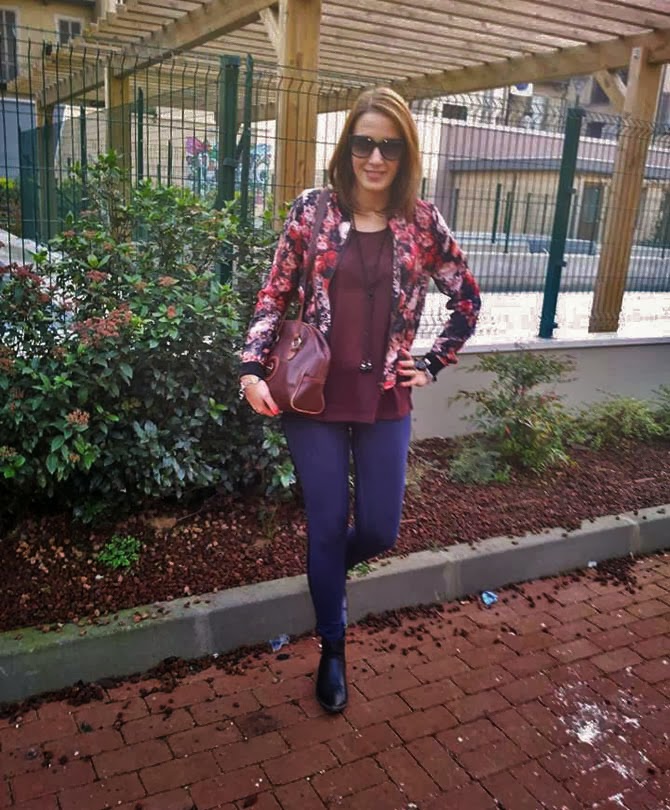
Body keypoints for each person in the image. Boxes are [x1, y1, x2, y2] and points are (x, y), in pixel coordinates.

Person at [239, 87, 480, 714]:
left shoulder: (422, 223)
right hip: (312, 397)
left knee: (378, 528)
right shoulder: (312, 210)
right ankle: (333, 646)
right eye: (364, 143)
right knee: (326, 523)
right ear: (347, 147)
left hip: (385, 397)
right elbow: (273, 295)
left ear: (406, 154)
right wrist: (251, 370)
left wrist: (432, 360)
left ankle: (326, 572)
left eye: (389, 147)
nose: (375, 157)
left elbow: (467, 298)